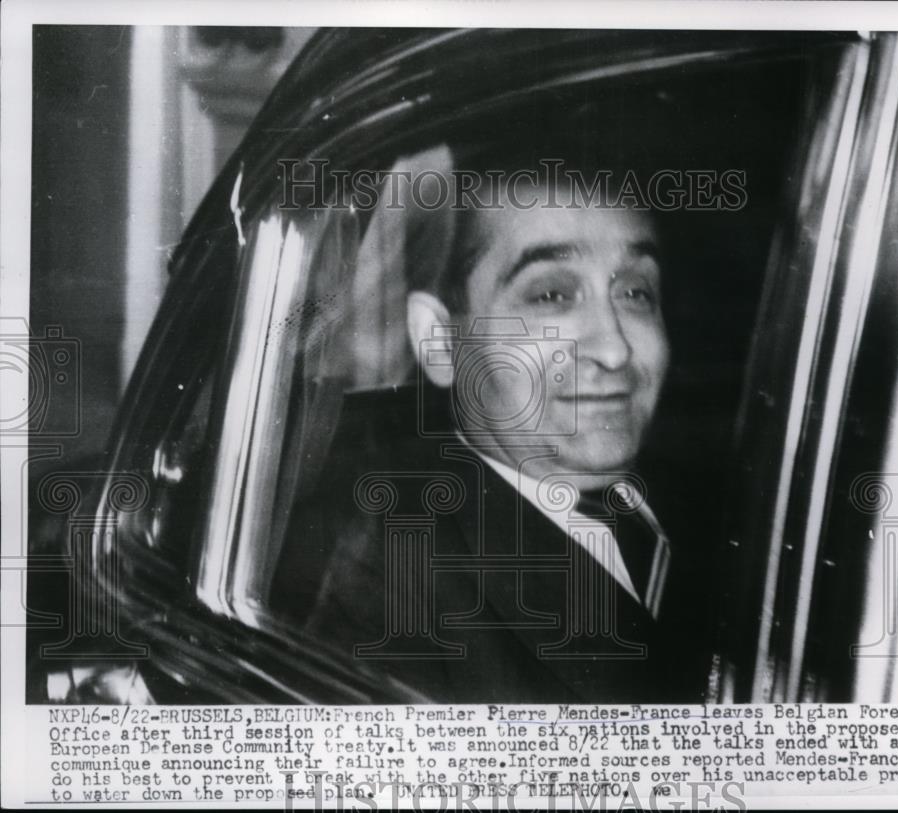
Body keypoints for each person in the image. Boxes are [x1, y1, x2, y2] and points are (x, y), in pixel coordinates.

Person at [273, 163, 715, 703]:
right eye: (551, 295)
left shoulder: (719, 505)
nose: (615, 349)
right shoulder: (383, 593)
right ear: (439, 342)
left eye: (636, 293)